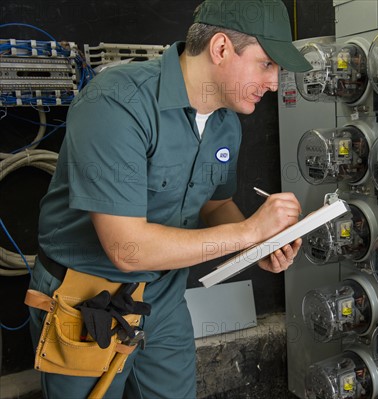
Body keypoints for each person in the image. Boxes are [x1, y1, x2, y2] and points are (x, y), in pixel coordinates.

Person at [27, 0, 312, 397]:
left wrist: (260, 243)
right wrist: (248, 232)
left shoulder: (226, 122)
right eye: (267, 64)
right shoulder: (116, 102)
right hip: (85, 300)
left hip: (162, 299)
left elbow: (213, 205)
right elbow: (126, 249)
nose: (275, 82)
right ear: (221, 48)